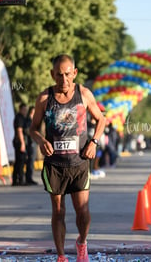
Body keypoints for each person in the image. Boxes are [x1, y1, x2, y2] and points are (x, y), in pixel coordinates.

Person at [30, 54, 105, 262]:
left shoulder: (84, 94)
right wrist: (40, 140)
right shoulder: (45, 98)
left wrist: (94, 142)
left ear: (75, 73)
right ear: (52, 74)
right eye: (59, 75)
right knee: (58, 212)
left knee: (83, 211)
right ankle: (61, 256)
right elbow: (32, 129)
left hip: (79, 162)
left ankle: (82, 242)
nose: (64, 80)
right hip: (55, 165)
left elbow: (101, 120)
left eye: (68, 75)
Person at [12, 103, 28, 186]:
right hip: (19, 141)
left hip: (18, 141)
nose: (25, 111)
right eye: (24, 110)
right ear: (20, 109)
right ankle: (20, 180)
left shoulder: (21, 117)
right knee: (20, 162)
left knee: (18, 161)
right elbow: (19, 130)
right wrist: (22, 143)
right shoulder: (19, 118)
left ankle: (15, 180)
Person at [25, 106, 38, 185]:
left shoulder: (33, 121)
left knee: (31, 161)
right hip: (30, 143)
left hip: (33, 142)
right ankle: (28, 178)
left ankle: (30, 177)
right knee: (30, 161)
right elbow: (27, 131)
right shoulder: (28, 121)